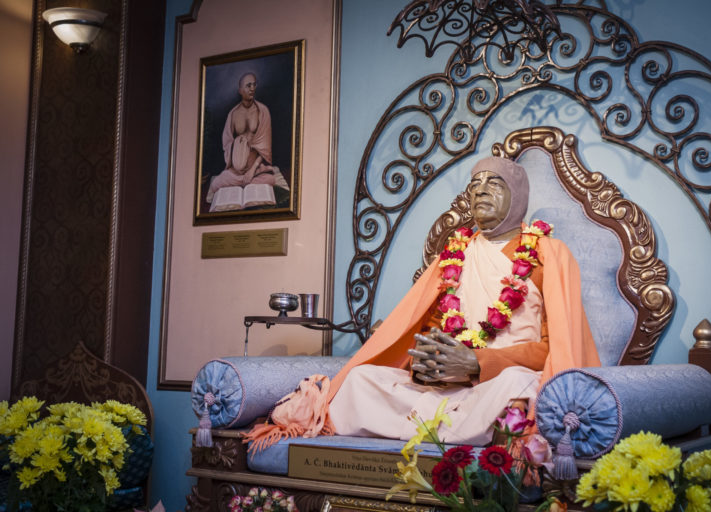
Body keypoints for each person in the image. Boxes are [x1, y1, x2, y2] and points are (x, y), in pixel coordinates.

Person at [244, 156, 600, 451]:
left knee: (517, 388)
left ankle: (443, 426)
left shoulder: (547, 254)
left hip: (498, 381)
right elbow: (427, 331)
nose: (480, 190)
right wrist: (428, 365)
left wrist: (476, 364)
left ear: (518, 194)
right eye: (475, 184)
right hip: (447, 387)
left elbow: (556, 349)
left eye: (493, 183)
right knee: (360, 380)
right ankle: (456, 428)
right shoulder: (455, 254)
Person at [205, 71, 289, 205]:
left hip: (255, 169)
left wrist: (252, 170)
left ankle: (248, 179)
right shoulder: (233, 114)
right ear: (240, 90)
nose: (252, 88)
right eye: (248, 85)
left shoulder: (263, 111)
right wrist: (238, 149)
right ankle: (243, 181)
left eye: (254, 85)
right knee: (215, 184)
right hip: (236, 171)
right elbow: (227, 142)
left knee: (271, 180)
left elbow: (264, 146)